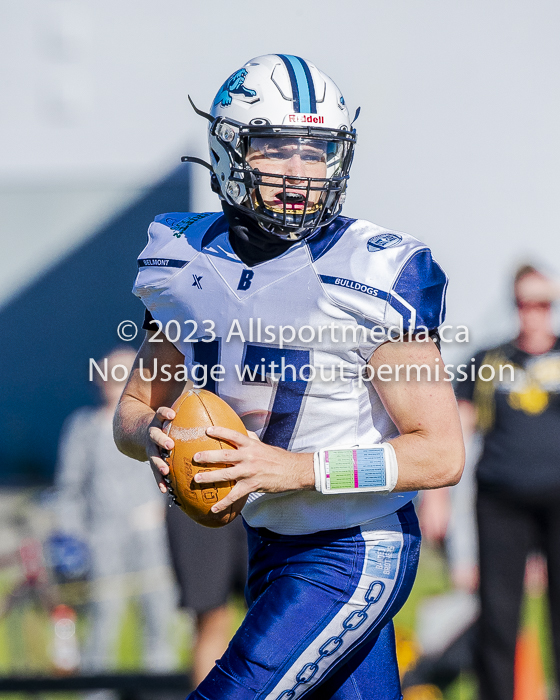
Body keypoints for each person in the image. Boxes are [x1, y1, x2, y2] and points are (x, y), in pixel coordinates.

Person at [114, 54, 464, 699]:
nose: (299, 172)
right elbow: (135, 408)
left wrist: (294, 470)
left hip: (355, 548)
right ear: (227, 150)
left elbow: (439, 453)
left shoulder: (381, 270)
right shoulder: (181, 258)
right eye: (276, 148)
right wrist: (156, 436)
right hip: (269, 543)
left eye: (317, 151)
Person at [455, 264, 560, 700]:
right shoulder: (486, 361)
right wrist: (438, 504)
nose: (532, 313)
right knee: (498, 617)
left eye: (542, 303)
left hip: (557, 500)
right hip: (501, 502)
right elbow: (456, 434)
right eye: (523, 303)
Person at [55, 348, 175, 673]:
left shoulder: (158, 423)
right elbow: (69, 489)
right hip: (102, 538)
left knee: (159, 619)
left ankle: (159, 694)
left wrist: (163, 511)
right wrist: (72, 536)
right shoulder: (83, 427)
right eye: (110, 374)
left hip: (151, 537)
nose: (115, 381)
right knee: (103, 620)